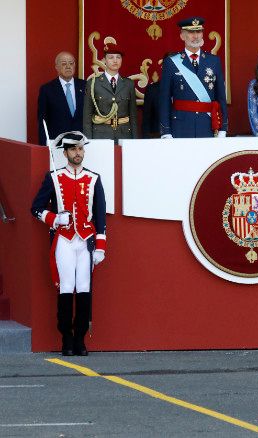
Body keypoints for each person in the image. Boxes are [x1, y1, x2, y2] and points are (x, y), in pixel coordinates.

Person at [30, 132, 107, 357]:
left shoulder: (94, 179)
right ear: (65, 153)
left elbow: (100, 215)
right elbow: (35, 208)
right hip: (63, 239)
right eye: (73, 149)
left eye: (81, 149)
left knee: (83, 287)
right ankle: (66, 337)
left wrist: (101, 246)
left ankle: (80, 338)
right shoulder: (53, 177)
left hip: (85, 241)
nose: (78, 153)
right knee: (66, 287)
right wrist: (54, 218)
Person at [159, 17, 228, 138]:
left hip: (207, 125)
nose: (195, 36)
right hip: (180, 126)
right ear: (182, 36)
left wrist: (223, 128)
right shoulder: (171, 62)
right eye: (191, 32)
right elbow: (164, 99)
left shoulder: (214, 61)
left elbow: (220, 97)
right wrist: (166, 131)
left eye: (199, 31)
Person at [83, 43, 138, 141]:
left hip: (124, 134)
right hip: (101, 134)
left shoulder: (129, 84)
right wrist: (88, 141)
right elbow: (87, 116)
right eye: (111, 57)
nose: (115, 60)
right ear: (104, 60)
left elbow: (133, 116)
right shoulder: (93, 83)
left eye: (118, 57)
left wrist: (135, 140)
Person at [37, 52, 85, 146]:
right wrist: (44, 145)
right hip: (57, 143)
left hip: (82, 142)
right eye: (64, 64)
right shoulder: (47, 89)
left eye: (71, 63)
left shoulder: (85, 86)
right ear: (56, 67)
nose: (68, 66)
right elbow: (42, 121)